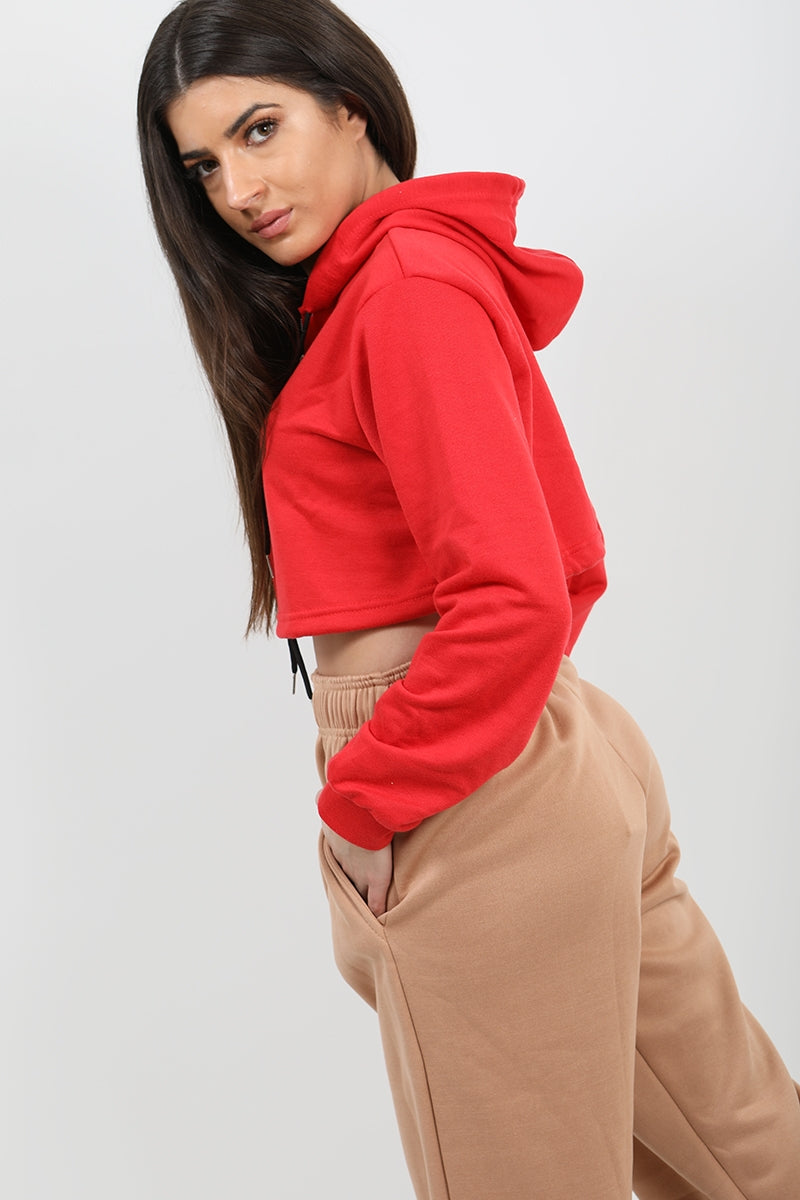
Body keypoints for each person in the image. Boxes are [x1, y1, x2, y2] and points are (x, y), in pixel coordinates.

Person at [137, 2, 800, 1196]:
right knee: (750, 1154)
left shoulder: (401, 291)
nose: (236, 190)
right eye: (203, 167)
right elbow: (568, 559)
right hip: (539, 754)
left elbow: (516, 592)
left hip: (464, 793)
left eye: (258, 129)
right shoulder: (413, 276)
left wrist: (365, 801)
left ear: (350, 105)